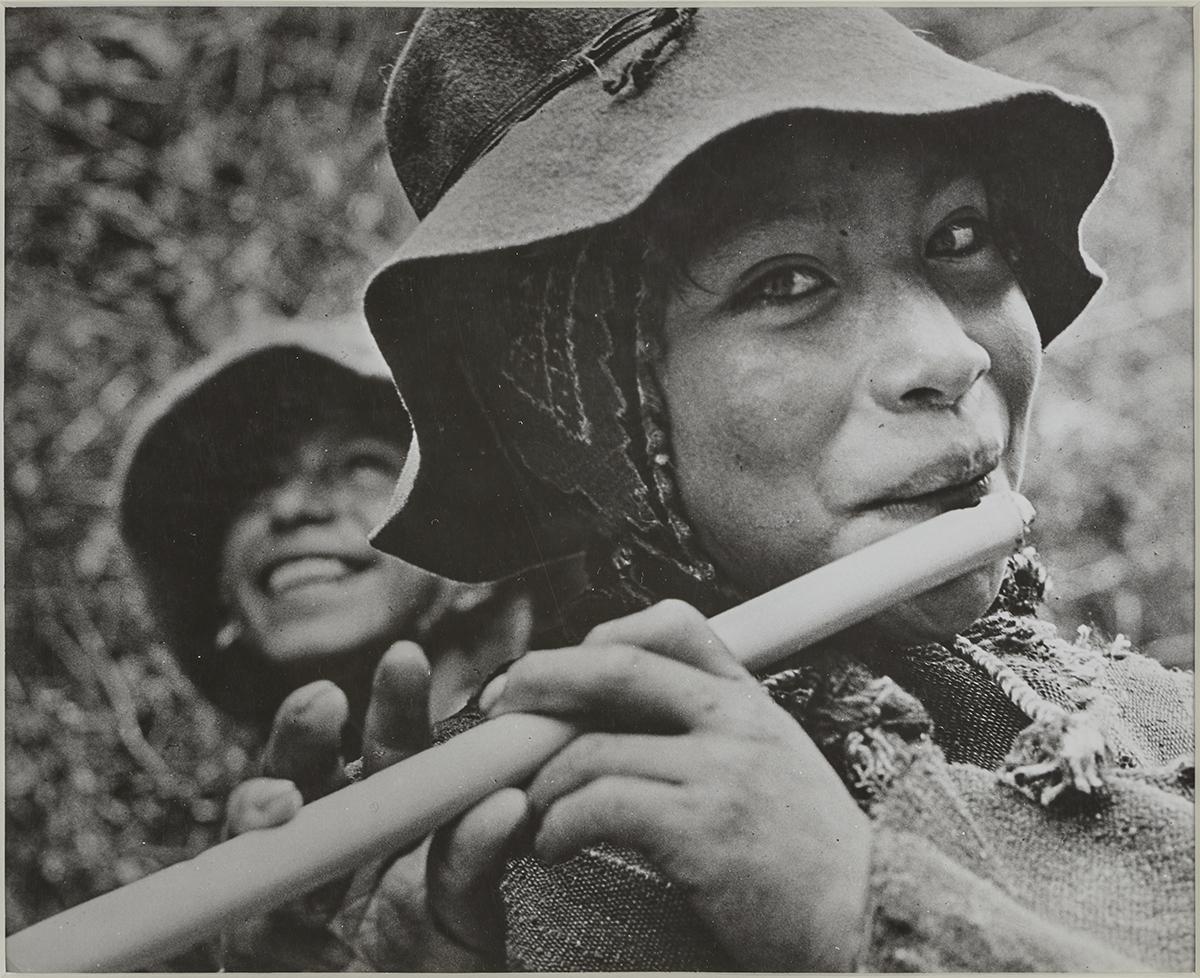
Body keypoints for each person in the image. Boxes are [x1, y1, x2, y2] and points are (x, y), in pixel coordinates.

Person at [257, 9, 1194, 971]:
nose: (948, 355)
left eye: (959, 235)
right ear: (582, 405)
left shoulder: (1164, 727)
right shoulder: (497, 861)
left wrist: (860, 916)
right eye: (786, 283)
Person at [116, 316, 545, 968]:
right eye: (251, 487)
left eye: (362, 465)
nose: (288, 507)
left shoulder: (618, 756)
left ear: (483, 546)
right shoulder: (237, 908)